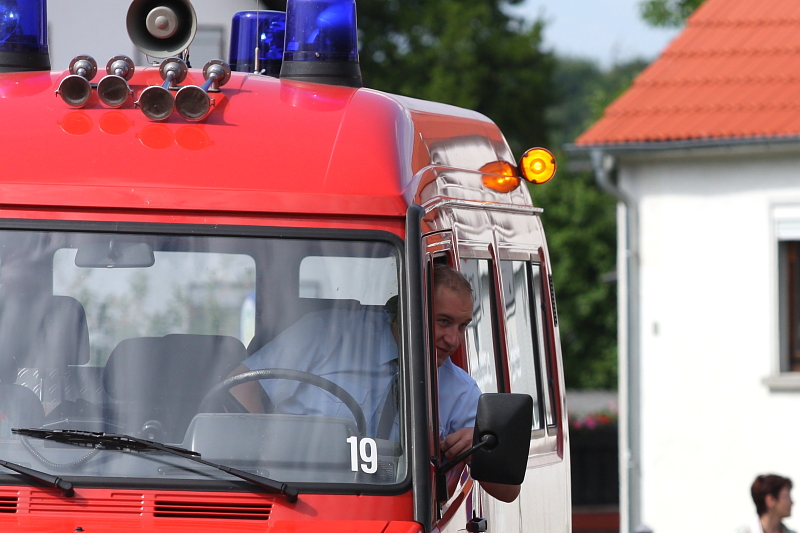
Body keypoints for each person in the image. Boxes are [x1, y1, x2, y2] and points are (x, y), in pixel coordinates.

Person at [227, 263, 519, 502]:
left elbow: (508, 491)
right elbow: (240, 384)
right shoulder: (327, 334)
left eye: (462, 326)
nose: (453, 340)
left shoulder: (459, 389)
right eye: (443, 321)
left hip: (397, 512)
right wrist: (263, 456)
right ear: (408, 310)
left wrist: (480, 447)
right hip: (295, 497)